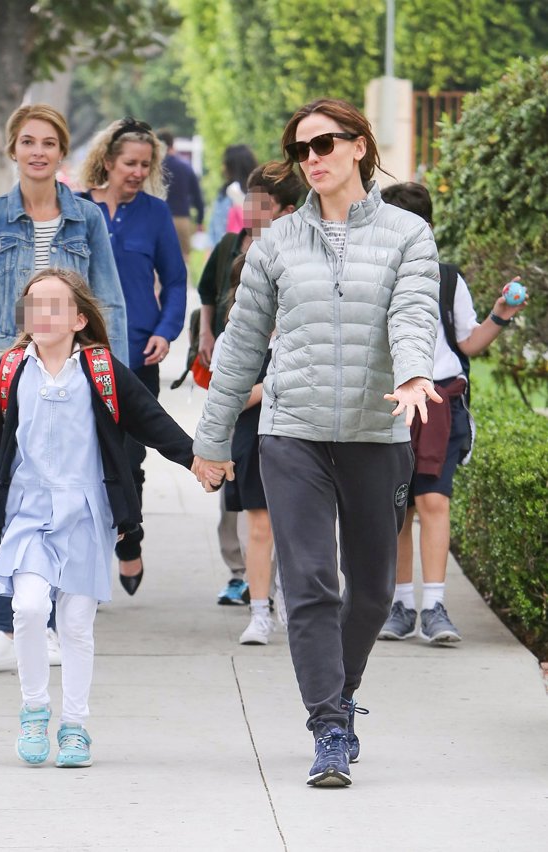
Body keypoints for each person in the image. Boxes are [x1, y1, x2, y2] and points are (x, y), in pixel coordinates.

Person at [192, 98, 441, 787]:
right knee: (308, 587)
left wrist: (416, 371)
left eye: (326, 143)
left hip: (375, 430)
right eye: (303, 149)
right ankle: (328, 726)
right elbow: (241, 344)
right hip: (291, 433)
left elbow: (414, 309)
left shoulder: (406, 234)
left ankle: (343, 691)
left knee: (369, 592)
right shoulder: (275, 243)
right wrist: (211, 440)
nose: (314, 158)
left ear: (360, 145)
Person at [0, 268, 211, 768]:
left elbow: (149, 419)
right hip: (27, 509)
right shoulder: (10, 371)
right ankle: (33, 709)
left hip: (86, 511)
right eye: (33, 305)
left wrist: (195, 457)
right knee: (27, 610)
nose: (42, 314)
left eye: (54, 305)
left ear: (77, 318)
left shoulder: (100, 369)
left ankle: (74, 725)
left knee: (74, 625)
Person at [0, 104, 127, 672]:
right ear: (12, 151)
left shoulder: (86, 219)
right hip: (3, 372)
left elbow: (108, 299)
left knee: (58, 494)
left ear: (61, 153)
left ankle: (44, 625)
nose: (38, 151)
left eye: (48, 143)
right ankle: (2, 627)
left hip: (68, 372)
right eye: (27, 142)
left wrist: (107, 373)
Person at [377, 182, 526, 645]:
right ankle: (400, 605)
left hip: (441, 404)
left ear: (428, 229)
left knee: (434, 501)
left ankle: (434, 605)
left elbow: (468, 344)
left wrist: (500, 314)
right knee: (396, 509)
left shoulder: (447, 278)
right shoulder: (372, 277)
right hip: (390, 404)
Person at [78, 117, 187, 596]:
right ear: (107, 162)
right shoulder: (78, 210)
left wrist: (167, 332)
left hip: (139, 353)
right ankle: (82, 561)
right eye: (130, 163)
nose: (138, 172)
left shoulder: (155, 215)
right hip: (81, 353)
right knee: (81, 459)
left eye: (146, 164)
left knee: (129, 454)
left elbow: (178, 281)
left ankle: (129, 539)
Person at [197, 164, 303, 606]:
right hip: (239, 360)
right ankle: (242, 574)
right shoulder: (229, 246)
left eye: (263, 203)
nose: (251, 209)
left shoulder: (296, 254)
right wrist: (205, 336)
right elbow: (208, 294)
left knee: (279, 507)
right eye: (250, 200)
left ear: (286, 211)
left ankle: (272, 581)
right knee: (236, 499)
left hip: (283, 402)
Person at [211, 253, 275, 644]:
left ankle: (294, 605)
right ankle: (260, 611)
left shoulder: (302, 328)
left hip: (302, 436)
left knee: (301, 530)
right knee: (260, 528)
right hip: (252, 439)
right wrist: (273, 386)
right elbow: (226, 396)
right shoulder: (234, 338)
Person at [157, 128, 205, 264]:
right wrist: (200, 220)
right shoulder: (185, 166)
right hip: (182, 218)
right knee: (184, 259)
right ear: (173, 144)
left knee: (159, 260)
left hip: (159, 218)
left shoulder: (154, 167)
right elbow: (197, 196)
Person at [208, 144, 257, 246]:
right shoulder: (260, 193)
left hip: (226, 255)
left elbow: (215, 232)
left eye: (225, 164)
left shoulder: (226, 194)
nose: (223, 168)